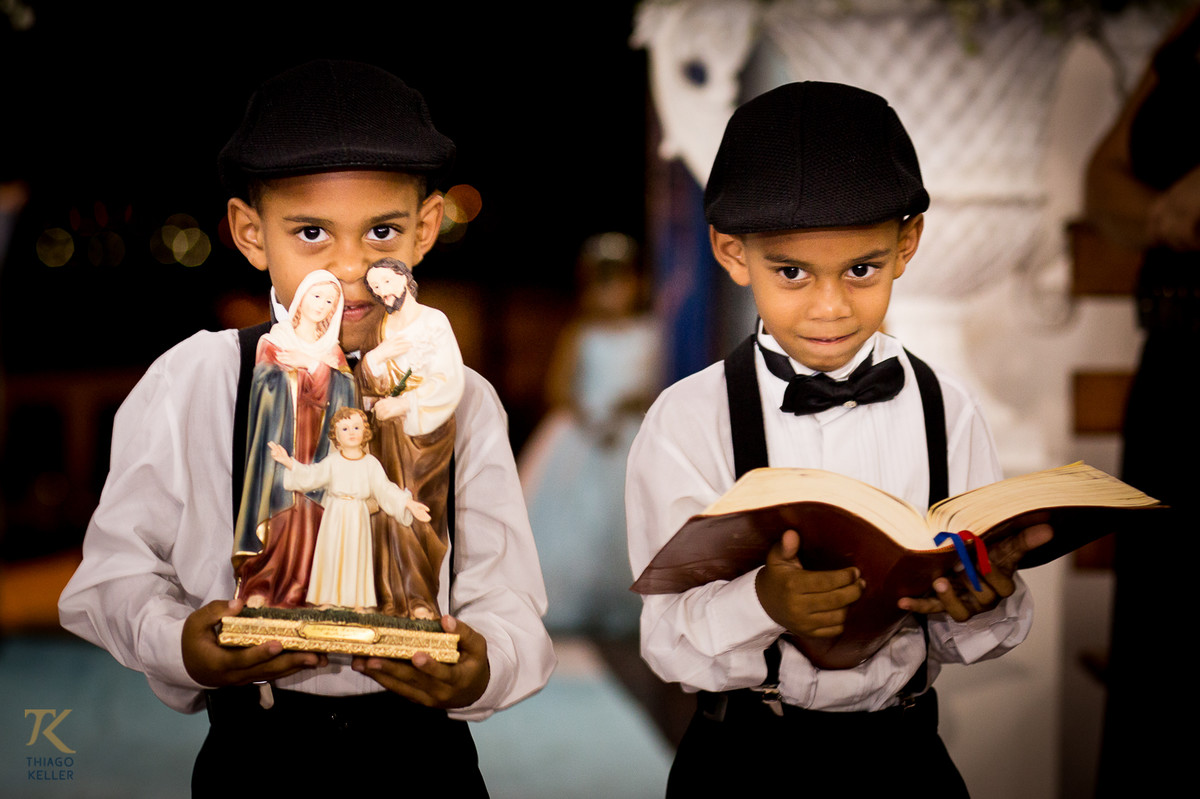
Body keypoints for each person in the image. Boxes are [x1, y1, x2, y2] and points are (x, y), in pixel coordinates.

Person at [57, 60, 554, 796]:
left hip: (424, 754)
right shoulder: (197, 380)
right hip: (256, 749)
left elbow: (509, 597)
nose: (350, 265)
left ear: (424, 229)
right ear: (251, 234)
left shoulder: (464, 397)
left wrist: (483, 666)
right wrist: (182, 644)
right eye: (312, 232)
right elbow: (111, 576)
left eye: (381, 229)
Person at [625, 81, 1053, 797]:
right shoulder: (687, 419)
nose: (830, 306)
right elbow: (666, 638)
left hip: (904, 752)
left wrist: (984, 601)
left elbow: (965, 636)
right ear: (733, 254)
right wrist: (763, 602)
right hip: (745, 756)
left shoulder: (949, 409)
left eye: (862, 270)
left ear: (906, 244)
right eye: (791, 273)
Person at [1084, 4, 1200, 792]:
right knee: (1160, 660)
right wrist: (1163, 212)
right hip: (1177, 371)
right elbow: (1101, 182)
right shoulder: (1190, 31)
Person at [519, 232, 660, 636]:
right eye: (603, 284)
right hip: (581, 436)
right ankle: (567, 599)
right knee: (572, 515)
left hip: (630, 434)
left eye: (621, 283)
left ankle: (625, 604)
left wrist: (631, 404)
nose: (612, 294)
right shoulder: (581, 333)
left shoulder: (652, 333)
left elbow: (658, 383)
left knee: (628, 514)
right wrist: (588, 417)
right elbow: (559, 387)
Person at [233, 269, 357, 609]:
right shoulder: (274, 341)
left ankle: (312, 591)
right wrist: (295, 372)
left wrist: (312, 366)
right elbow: (264, 387)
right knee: (280, 515)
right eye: (317, 296)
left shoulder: (333, 353)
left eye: (330, 301)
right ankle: (263, 584)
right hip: (282, 440)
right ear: (301, 298)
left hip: (318, 447)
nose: (322, 305)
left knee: (313, 519)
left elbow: (346, 394)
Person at [358, 257, 464, 620]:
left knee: (420, 509)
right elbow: (366, 380)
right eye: (376, 289)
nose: (383, 292)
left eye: (387, 282)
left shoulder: (434, 321)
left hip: (424, 432)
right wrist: (375, 359)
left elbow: (448, 379)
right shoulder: (380, 327)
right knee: (386, 508)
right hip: (387, 436)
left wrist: (406, 404)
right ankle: (390, 597)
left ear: (404, 278)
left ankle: (419, 599)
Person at [267, 406, 431, 612]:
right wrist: (288, 462)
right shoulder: (333, 461)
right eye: (344, 429)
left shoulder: (371, 463)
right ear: (335, 435)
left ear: (365, 431)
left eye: (356, 427)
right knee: (331, 554)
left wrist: (408, 503)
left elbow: (385, 489)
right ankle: (327, 599)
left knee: (356, 556)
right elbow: (311, 476)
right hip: (335, 513)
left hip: (357, 514)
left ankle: (358, 603)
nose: (351, 432)